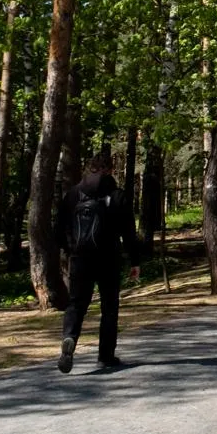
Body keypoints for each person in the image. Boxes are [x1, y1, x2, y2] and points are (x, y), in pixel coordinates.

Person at [56, 153, 142, 373]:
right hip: (109, 259)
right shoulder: (117, 195)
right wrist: (135, 261)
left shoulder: (73, 194)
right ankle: (105, 356)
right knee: (109, 308)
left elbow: (59, 229)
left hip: (80, 259)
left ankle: (69, 339)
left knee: (76, 304)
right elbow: (129, 233)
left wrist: (69, 251)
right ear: (110, 170)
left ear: (90, 168)